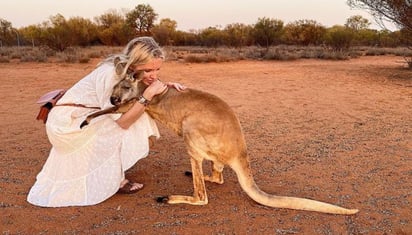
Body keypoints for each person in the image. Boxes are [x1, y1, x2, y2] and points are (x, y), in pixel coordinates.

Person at [27, 37, 185, 207]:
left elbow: (136, 90)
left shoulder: (128, 70)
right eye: (148, 70)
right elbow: (123, 122)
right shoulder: (111, 74)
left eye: (157, 69)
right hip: (67, 124)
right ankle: (117, 180)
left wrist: (165, 87)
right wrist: (148, 95)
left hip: (84, 116)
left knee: (139, 115)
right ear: (133, 63)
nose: (154, 75)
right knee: (133, 120)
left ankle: (114, 170)